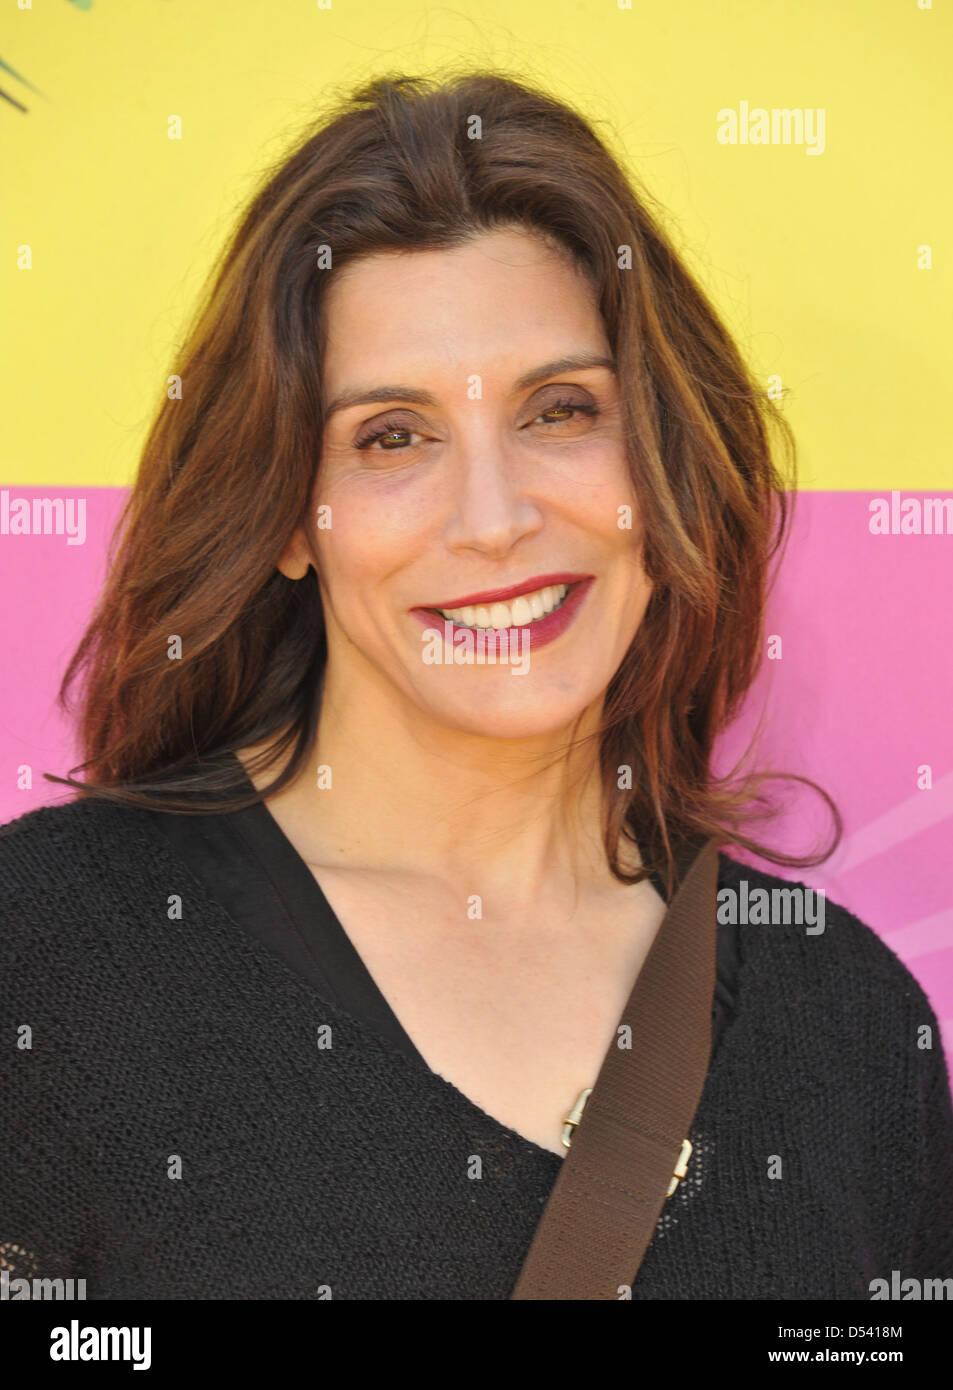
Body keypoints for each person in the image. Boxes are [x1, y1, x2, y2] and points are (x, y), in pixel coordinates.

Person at [2, 70, 951, 1301]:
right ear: (292, 515)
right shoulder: (55, 959)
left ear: (655, 460)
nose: (495, 520)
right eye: (392, 436)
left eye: (560, 412)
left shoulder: (850, 1027)